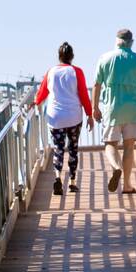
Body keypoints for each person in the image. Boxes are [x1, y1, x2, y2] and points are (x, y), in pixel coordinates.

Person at [92, 27, 136, 194]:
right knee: (129, 145)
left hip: (112, 108)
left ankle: (115, 167)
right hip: (132, 108)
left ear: (116, 41)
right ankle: (126, 184)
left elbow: (96, 85)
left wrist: (94, 107)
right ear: (131, 42)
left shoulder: (105, 58)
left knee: (110, 144)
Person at [31, 42, 93, 195]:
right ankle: (72, 182)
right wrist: (89, 114)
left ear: (59, 56)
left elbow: (43, 92)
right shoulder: (77, 71)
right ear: (72, 56)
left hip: (56, 117)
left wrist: (35, 102)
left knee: (58, 148)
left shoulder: (51, 71)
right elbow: (84, 95)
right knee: (73, 148)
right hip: (73, 117)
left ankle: (57, 177)